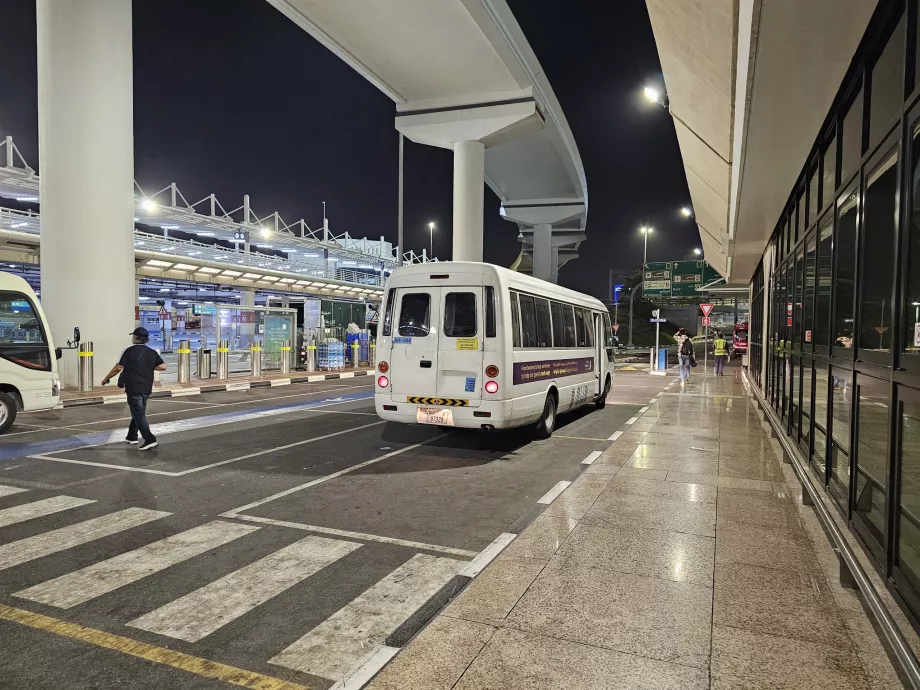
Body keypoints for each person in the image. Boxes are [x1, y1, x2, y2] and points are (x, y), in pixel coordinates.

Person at [101, 327, 167, 450]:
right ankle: (132, 436)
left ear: (136, 338)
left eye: (133, 336)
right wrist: (149, 366)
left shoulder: (129, 351)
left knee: (138, 414)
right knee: (138, 412)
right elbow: (163, 367)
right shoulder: (152, 352)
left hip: (134, 387)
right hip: (147, 388)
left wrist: (106, 379)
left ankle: (149, 439)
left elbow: (118, 368)